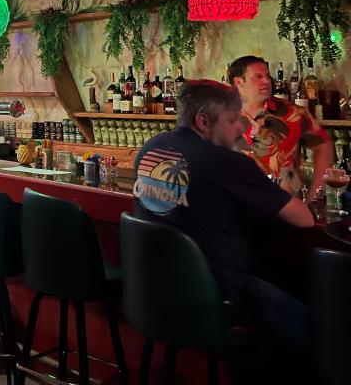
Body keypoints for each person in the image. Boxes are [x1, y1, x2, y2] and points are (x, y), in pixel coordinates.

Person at [133, 79, 314, 382]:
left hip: (153, 292)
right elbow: (304, 218)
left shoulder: (151, 148)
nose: (239, 131)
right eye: (232, 121)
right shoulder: (226, 162)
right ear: (203, 121)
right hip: (215, 299)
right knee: (317, 328)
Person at [229, 55, 333, 196]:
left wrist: (315, 194)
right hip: (233, 205)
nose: (266, 81)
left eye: (267, 75)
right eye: (258, 77)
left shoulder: (294, 113)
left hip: (285, 206)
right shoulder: (221, 114)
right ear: (239, 82)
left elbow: (324, 145)